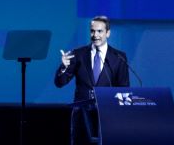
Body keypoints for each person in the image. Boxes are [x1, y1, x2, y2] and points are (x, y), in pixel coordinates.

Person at [55, 16, 130, 144]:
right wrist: (63, 67)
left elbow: (124, 89)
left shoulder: (119, 57)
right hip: (82, 116)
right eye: (92, 31)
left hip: (107, 116)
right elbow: (60, 83)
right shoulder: (78, 54)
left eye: (99, 31)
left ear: (108, 33)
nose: (95, 35)